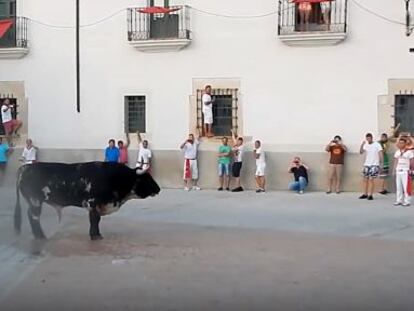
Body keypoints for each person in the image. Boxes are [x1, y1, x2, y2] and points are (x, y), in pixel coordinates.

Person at [359, 133, 383, 200]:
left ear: (371, 138)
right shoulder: (366, 145)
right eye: (367, 138)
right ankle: (365, 193)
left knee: (371, 179)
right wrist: (362, 145)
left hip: (374, 164)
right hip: (367, 164)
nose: (368, 139)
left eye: (369, 138)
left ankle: (370, 195)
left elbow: (380, 154)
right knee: (365, 179)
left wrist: (381, 163)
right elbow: (361, 152)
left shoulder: (377, 145)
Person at [393, 137, 414, 207]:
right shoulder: (397, 152)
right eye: (400, 143)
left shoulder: (409, 152)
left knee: (406, 187)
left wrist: (412, 170)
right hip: (398, 170)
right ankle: (399, 200)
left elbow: (412, 161)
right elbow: (396, 161)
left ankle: (407, 201)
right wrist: (394, 170)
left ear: (405, 144)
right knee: (398, 187)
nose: (401, 144)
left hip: (405, 171)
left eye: (402, 143)